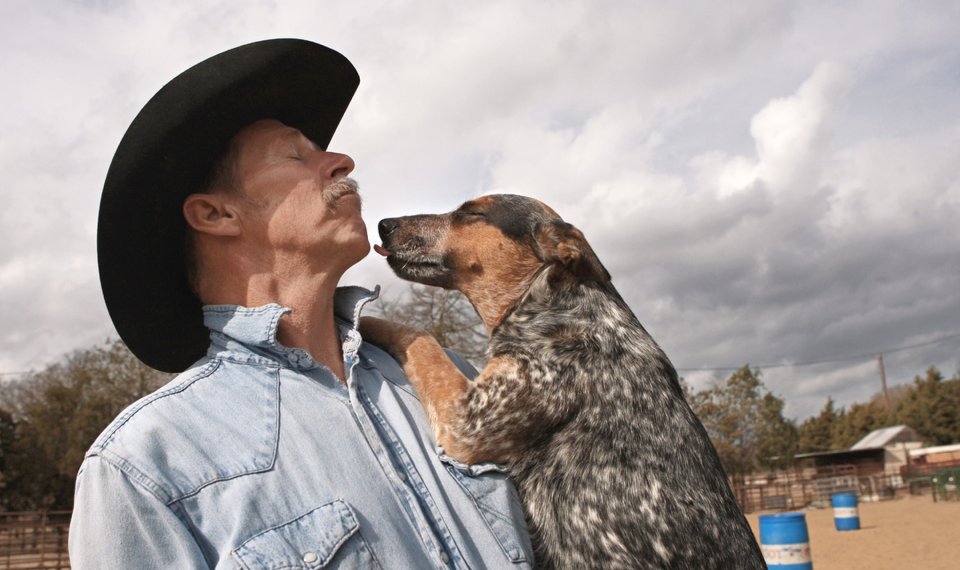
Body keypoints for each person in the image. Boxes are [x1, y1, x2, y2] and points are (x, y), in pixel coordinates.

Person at [70, 39, 532, 569]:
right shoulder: (144, 468)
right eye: (295, 155)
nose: (343, 161)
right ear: (217, 215)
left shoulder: (452, 377)